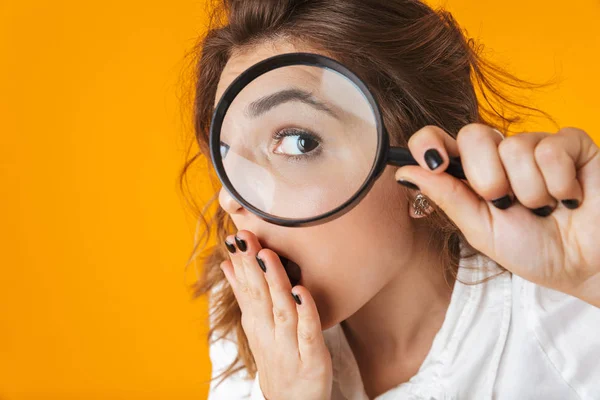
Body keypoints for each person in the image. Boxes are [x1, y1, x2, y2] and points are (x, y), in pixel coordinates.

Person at [179, 1, 600, 398]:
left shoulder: (570, 317)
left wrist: (592, 282)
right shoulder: (245, 322)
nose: (230, 199)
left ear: (420, 181)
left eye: (299, 142)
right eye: (228, 156)